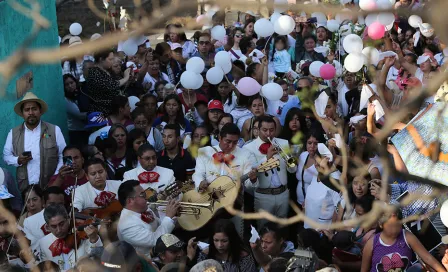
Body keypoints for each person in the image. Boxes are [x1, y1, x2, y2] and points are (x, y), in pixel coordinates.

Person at [3, 92, 66, 191]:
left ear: (40, 111)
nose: (31, 113)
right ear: (22, 114)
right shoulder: (13, 133)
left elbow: (63, 155)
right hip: (26, 187)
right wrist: (18, 160)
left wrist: (56, 176)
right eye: (27, 110)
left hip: (51, 185)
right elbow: (6, 157)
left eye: (34, 109)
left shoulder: (54, 130)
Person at [243, 116, 297, 227]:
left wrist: (288, 159)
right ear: (258, 130)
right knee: (264, 229)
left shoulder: (284, 142)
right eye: (265, 130)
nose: (268, 134)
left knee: (282, 228)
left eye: (272, 130)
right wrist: (267, 158)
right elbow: (252, 172)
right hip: (264, 196)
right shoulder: (249, 148)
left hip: (283, 193)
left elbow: (293, 169)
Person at [361, 209, 446, 272]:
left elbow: (428, 258)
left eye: (397, 225)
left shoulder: (407, 236)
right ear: (381, 225)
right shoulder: (372, 243)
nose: (394, 230)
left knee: (418, 267)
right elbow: (364, 270)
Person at [117, 179, 180, 257]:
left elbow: (160, 225)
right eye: (142, 194)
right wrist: (169, 217)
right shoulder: (127, 225)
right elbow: (155, 241)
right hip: (149, 262)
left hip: (165, 251)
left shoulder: (144, 209)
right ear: (130, 201)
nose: (146, 197)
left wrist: (174, 216)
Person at [36, 204, 102, 270]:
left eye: (61, 224)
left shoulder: (83, 236)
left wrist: (94, 239)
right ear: (47, 227)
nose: (59, 230)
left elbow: (97, 261)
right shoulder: (43, 243)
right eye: (54, 226)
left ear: (68, 219)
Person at [87, 50, 131, 115]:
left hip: (114, 109)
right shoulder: (94, 73)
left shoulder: (106, 70)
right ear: (101, 59)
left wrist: (129, 79)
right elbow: (111, 85)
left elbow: (120, 86)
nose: (112, 61)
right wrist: (126, 77)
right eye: (110, 59)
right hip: (102, 112)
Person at [23, 186, 65, 251]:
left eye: (60, 204)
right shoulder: (29, 222)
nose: (56, 208)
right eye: (52, 204)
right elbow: (34, 248)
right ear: (44, 202)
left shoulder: (69, 217)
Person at [64, 74, 88, 146]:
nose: (70, 86)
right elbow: (79, 115)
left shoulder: (80, 93)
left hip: (85, 129)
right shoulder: (66, 99)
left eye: (72, 83)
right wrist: (93, 113)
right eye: (67, 84)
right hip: (76, 132)